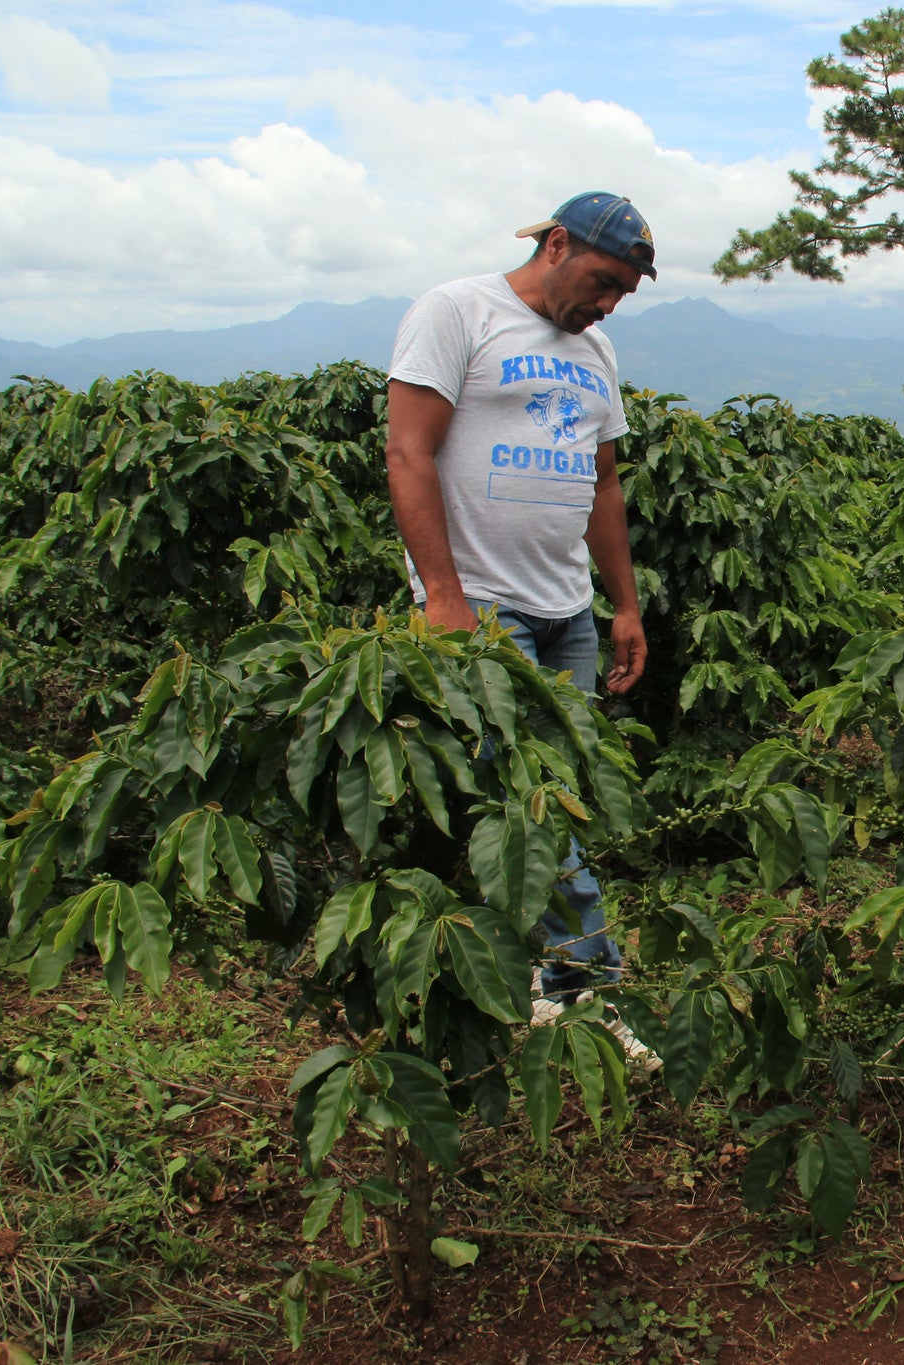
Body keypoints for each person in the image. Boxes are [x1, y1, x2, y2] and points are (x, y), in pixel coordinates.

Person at [384, 190, 655, 1010]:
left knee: (551, 796)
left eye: (621, 295)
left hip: (565, 612)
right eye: (603, 280)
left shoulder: (596, 352)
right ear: (557, 244)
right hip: (483, 613)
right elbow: (407, 449)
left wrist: (625, 605)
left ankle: (533, 971)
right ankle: (586, 988)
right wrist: (442, 595)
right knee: (531, 806)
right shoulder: (457, 311)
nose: (606, 304)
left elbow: (603, 483)